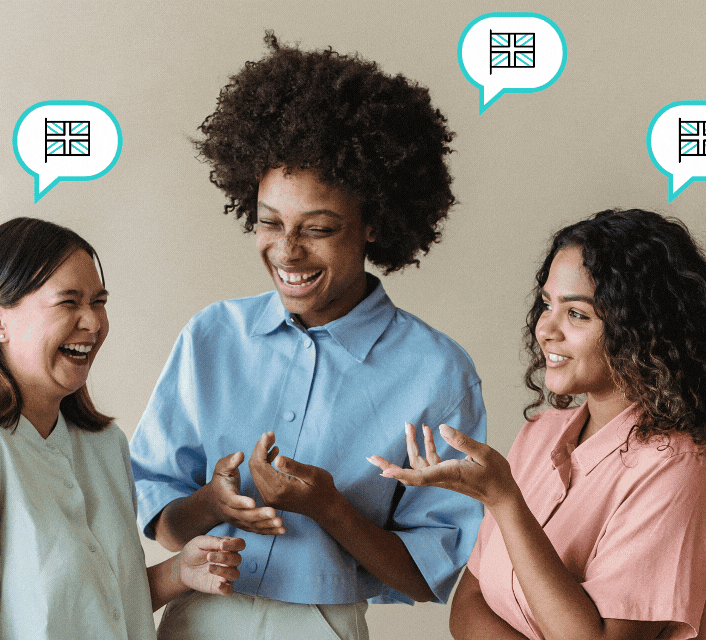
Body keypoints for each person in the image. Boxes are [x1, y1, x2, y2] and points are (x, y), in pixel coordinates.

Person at [129, 33, 487, 639]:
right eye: (270, 222)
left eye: (317, 228)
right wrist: (215, 503)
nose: (287, 251)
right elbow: (162, 523)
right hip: (199, 618)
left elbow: (429, 575)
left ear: (374, 223)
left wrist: (329, 509)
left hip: (323, 627)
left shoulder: (436, 371)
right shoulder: (213, 336)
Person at [371, 208, 706, 640]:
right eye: (548, 304)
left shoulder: (685, 468)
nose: (546, 328)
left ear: (643, 329)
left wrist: (505, 501)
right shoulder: (540, 435)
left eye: (577, 314)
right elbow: (469, 606)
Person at [0, 217, 244, 640]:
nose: (94, 323)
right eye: (69, 302)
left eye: (99, 301)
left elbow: (96, 607)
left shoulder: (105, 445)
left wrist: (179, 571)